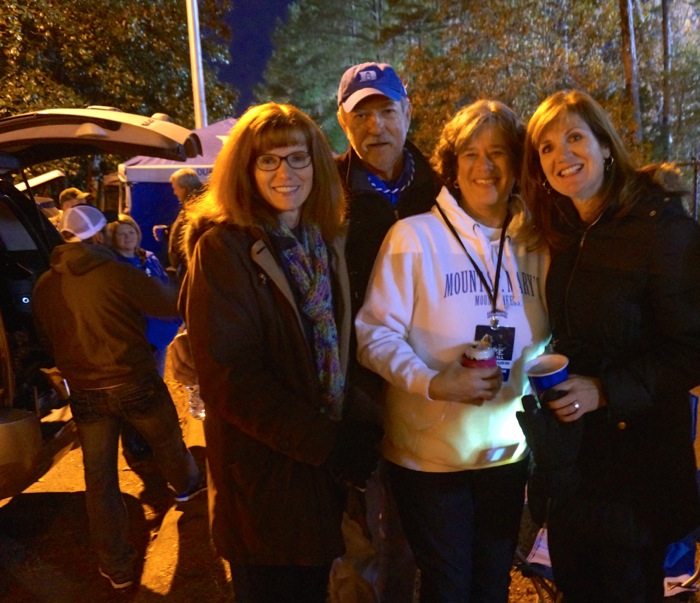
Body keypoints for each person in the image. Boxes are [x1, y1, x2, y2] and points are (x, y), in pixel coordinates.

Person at [180, 102, 378, 603]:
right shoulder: (224, 248)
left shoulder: (320, 242)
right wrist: (327, 444)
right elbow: (231, 377)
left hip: (312, 476)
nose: (285, 172)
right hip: (263, 481)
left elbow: (332, 348)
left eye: (297, 157)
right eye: (268, 160)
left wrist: (357, 422)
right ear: (245, 170)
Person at [355, 100, 550, 602]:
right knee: (448, 586)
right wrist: (435, 381)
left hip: (507, 453)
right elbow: (372, 336)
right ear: (453, 164)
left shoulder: (536, 242)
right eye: (470, 153)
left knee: (491, 585)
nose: (484, 167)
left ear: (518, 162)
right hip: (430, 459)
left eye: (499, 152)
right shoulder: (413, 237)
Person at [520, 89, 700, 602]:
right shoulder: (565, 228)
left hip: (636, 469)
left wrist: (605, 390)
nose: (562, 156)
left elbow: (692, 347)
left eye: (574, 137)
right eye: (546, 148)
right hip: (576, 461)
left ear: (604, 144)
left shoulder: (661, 229)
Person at [32, 204, 205, 590]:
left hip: (87, 392)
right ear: (98, 236)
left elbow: (47, 339)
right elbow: (167, 303)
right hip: (134, 379)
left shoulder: (45, 284)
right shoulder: (115, 272)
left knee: (101, 479)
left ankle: (116, 565)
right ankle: (188, 489)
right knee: (167, 443)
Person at [334, 61, 440, 602]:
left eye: (386, 111)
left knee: (420, 533)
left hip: (435, 389)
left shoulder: (445, 188)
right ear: (342, 121)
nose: (376, 126)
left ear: (407, 113)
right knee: (361, 539)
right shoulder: (323, 192)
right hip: (358, 390)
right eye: (362, 115)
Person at [153, 168, 203, 282]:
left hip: (191, 268)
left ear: (184, 187)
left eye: (175, 189)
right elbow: (184, 230)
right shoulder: (189, 204)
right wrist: (168, 231)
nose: (174, 193)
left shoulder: (198, 207)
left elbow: (195, 234)